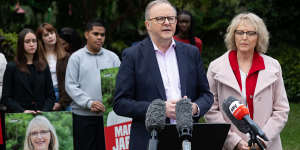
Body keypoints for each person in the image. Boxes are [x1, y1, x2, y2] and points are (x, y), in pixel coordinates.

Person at [113, 0, 213, 149]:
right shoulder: (133, 55)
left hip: (186, 138)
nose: (167, 22)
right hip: (149, 140)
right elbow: (120, 103)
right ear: (148, 25)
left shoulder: (191, 53)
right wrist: (160, 109)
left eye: (171, 18)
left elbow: (206, 95)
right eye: (160, 19)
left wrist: (194, 108)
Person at [204, 12, 289, 150]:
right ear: (233, 35)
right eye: (240, 32)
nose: (244, 37)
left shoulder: (273, 66)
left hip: (266, 145)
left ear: (259, 37)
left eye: (250, 33)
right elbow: (210, 109)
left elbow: (281, 109)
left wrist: (262, 139)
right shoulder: (216, 67)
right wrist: (234, 142)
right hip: (229, 145)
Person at [65, 20, 121, 150]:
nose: (100, 37)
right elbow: (70, 85)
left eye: (102, 35)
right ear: (86, 35)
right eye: (95, 34)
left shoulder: (112, 57)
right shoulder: (76, 57)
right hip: (82, 117)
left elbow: (121, 83)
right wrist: (89, 103)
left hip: (108, 117)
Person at [1, 28, 55, 113]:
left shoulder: (44, 65)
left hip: (41, 115)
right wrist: (22, 111)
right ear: (21, 44)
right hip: (20, 117)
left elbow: (51, 96)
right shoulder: (12, 67)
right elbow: (6, 98)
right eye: (27, 41)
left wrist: (44, 111)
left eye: (34, 41)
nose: (32, 44)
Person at [36, 23, 71, 111]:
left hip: (65, 95)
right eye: (46, 35)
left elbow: (71, 81)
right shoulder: (37, 58)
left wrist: (61, 102)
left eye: (52, 33)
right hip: (46, 97)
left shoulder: (66, 56)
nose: (50, 36)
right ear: (41, 39)